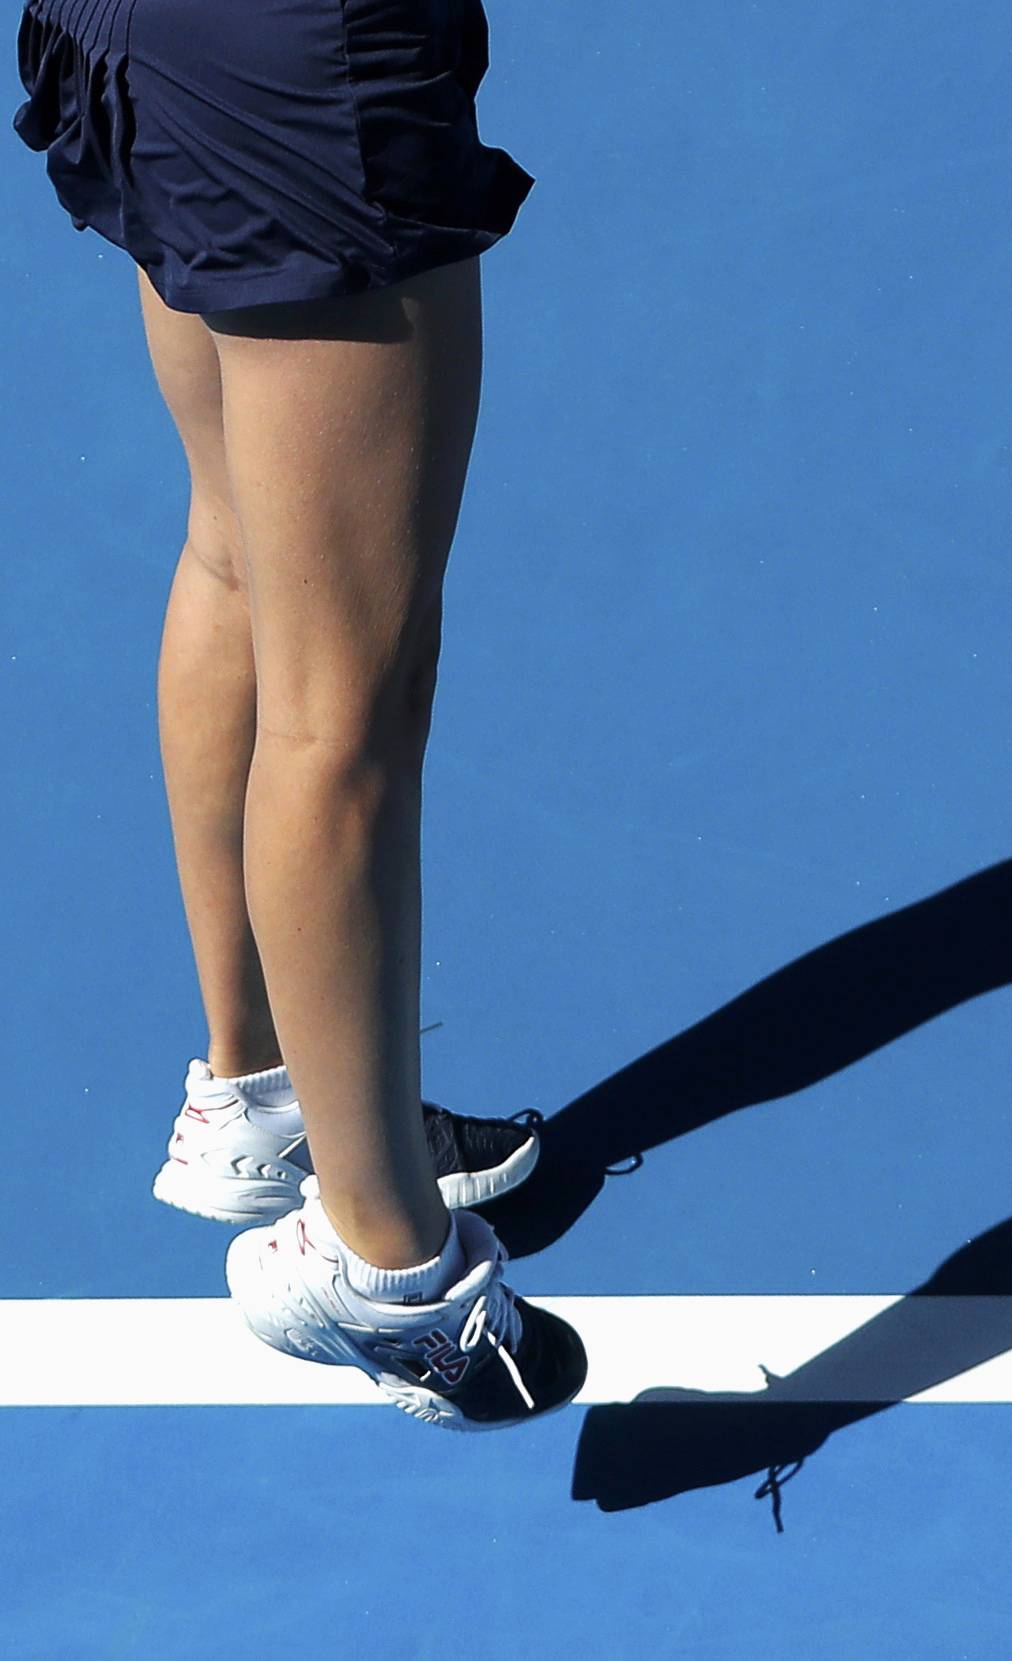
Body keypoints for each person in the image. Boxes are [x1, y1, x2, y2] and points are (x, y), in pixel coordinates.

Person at [13, 0, 586, 1428]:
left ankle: (262, 1092)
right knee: (351, 705)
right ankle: (386, 1265)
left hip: (153, 33)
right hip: (305, 70)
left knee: (239, 553)